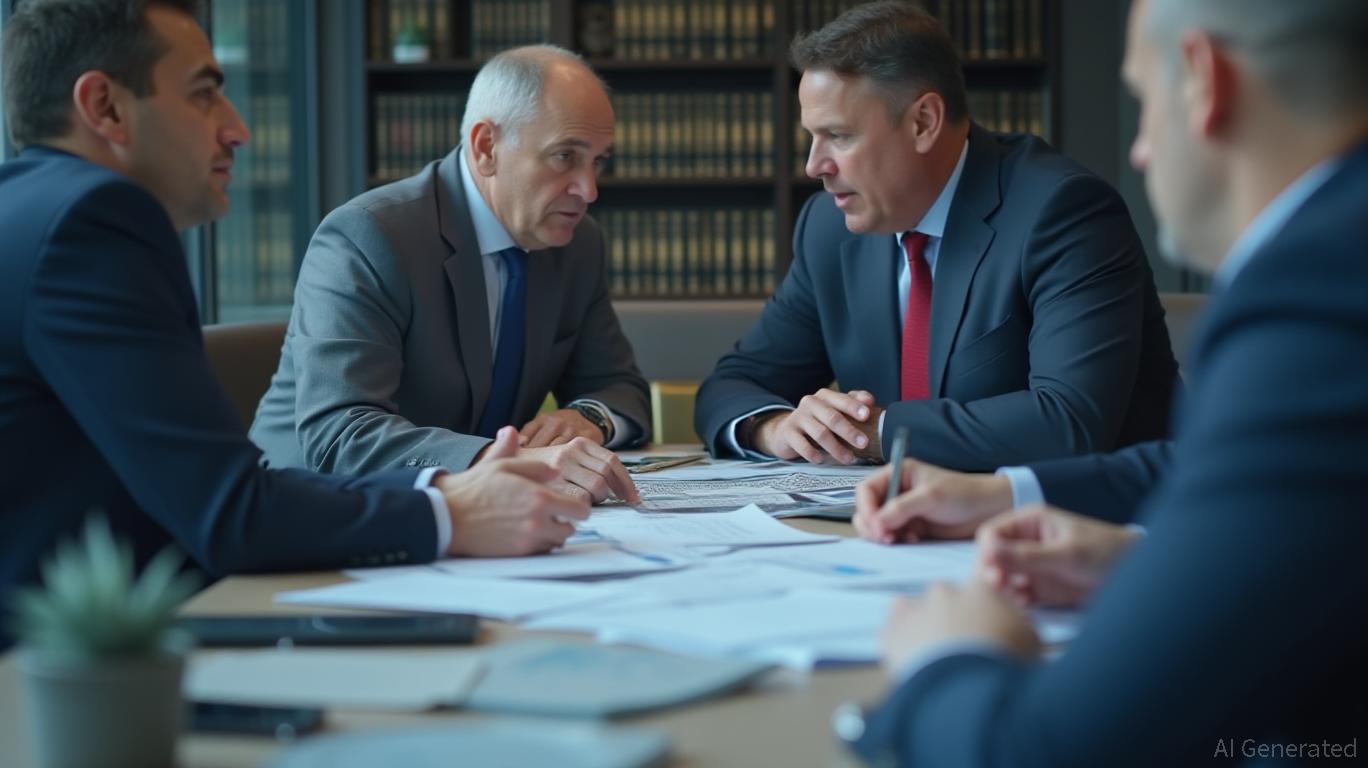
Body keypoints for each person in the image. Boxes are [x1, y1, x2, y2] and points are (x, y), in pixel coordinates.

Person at [846, 0, 1368, 763]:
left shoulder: (1321, 290)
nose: (1142, 150)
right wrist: (1014, 498)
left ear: (1202, 79)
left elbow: (1051, 753)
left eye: (1143, 99)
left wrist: (945, 661)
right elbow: (1236, 473)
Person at [0, 0, 589, 636]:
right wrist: (452, 511)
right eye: (204, 95)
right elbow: (232, 513)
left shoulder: (33, 209)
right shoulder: (94, 223)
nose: (238, 130)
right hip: (68, 664)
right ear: (106, 107)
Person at [693, 0, 1180, 472]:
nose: (814, 165)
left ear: (923, 122)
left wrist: (873, 431)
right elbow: (734, 384)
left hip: (1080, 517)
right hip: (896, 518)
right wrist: (774, 427)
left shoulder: (1063, 211)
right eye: (812, 136)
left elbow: (1069, 421)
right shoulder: (828, 227)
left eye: (838, 136)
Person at [249, 45, 646, 506]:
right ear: (486, 147)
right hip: (315, 512)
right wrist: (503, 462)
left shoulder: (577, 244)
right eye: (565, 157)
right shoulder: (369, 235)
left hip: (474, 515)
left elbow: (621, 387)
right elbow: (341, 434)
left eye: (598, 161)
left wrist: (588, 418)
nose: (589, 190)